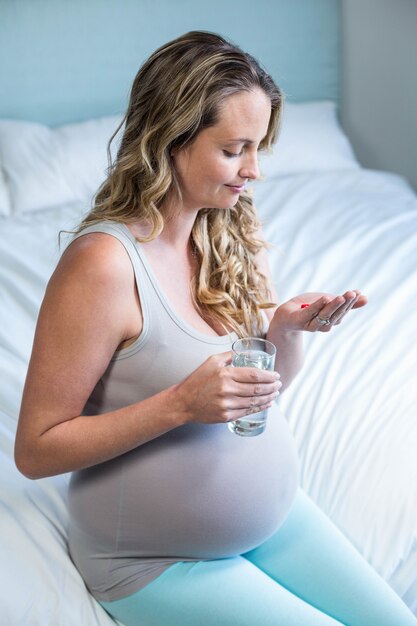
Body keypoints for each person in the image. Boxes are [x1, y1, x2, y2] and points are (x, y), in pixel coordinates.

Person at [14, 31, 417, 626]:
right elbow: (36, 449)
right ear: (169, 140)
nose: (253, 171)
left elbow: (263, 391)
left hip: (275, 521)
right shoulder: (102, 265)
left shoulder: (231, 229)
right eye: (234, 150)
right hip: (152, 559)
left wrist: (286, 330)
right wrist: (179, 405)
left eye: (259, 148)